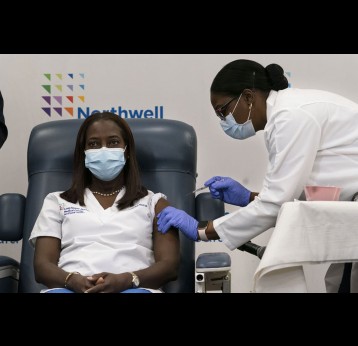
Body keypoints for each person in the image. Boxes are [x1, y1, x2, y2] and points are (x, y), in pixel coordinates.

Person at [157, 59, 358, 293]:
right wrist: (250, 197)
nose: (224, 121)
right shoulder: (285, 116)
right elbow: (306, 192)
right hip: (349, 211)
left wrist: (203, 229)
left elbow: (276, 203)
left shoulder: (290, 117)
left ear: (248, 97)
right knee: (340, 284)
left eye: (223, 111)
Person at [29, 112, 179, 293]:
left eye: (113, 142)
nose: (103, 150)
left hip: (133, 288)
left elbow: (170, 266)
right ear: (84, 154)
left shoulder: (154, 203)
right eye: (93, 144)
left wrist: (127, 279)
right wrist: (72, 280)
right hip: (70, 289)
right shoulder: (57, 202)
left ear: (127, 151)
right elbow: (42, 266)